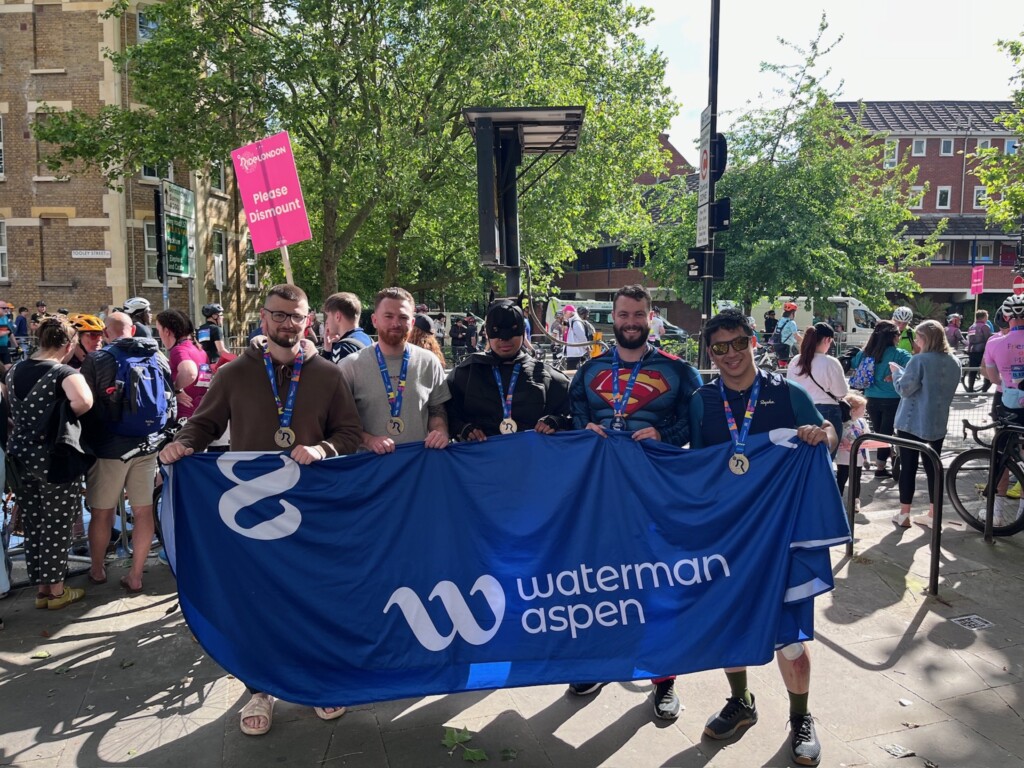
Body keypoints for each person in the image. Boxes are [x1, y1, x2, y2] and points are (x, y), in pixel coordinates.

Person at [160, 283, 363, 735]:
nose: (288, 323)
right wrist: (183, 444)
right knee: (258, 601)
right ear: (263, 317)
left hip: (311, 509)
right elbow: (204, 424)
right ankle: (259, 689)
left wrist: (323, 448)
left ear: (308, 320)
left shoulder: (327, 374)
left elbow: (349, 434)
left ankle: (317, 681)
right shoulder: (234, 373)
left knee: (313, 597)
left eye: (296, 316)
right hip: (251, 510)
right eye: (279, 315)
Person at [688, 309, 836, 768]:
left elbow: (833, 434)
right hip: (726, 535)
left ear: (754, 341)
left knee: (789, 638)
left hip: (780, 533)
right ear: (709, 352)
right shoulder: (700, 400)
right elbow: (693, 463)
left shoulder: (786, 393)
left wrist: (821, 434)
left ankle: (800, 718)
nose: (731, 354)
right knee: (730, 624)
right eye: (720, 347)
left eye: (738, 343)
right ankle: (742, 703)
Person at [565, 284, 703, 721]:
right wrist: (584, 431)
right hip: (601, 494)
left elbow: (696, 422)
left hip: (654, 492)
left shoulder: (679, 371)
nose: (630, 322)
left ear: (650, 317)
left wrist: (666, 435)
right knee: (599, 579)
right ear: (613, 317)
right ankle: (601, 662)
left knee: (656, 581)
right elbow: (576, 417)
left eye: (637, 315)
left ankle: (664, 678)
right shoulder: (588, 372)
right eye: (623, 315)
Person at [80, 311, 174, 592]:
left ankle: (97, 570)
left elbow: (85, 404)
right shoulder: (157, 356)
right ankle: (135, 575)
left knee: (102, 512)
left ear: (107, 333)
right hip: (146, 446)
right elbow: (169, 398)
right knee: (143, 511)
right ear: (132, 329)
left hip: (109, 448)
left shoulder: (97, 359)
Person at [6, 317, 94, 609]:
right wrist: (59, 413)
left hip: (20, 456)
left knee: (33, 522)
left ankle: (41, 588)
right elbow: (84, 402)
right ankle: (56, 591)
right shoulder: (64, 372)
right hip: (53, 458)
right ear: (68, 345)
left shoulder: (15, 370)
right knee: (58, 522)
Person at [339, 287, 451, 454]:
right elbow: (339, 423)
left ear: (412, 323)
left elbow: (437, 410)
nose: (396, 323)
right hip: (370, 470)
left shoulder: (429, 362)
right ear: (374, 320)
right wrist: (369, 440)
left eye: (403, 317)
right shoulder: (350, 366)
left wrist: (440, 432)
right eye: (388, 316)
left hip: (417, 465)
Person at [446, 300, 571, 440]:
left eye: (512, 333)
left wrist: (556, 421)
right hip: (480, 458)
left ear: (523, 332)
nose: (504, 340)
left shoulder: (548, 377)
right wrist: (462, 428)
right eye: (497, 333)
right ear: (487, 333)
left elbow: (572, 416)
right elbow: (445, 415)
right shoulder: (465, 373)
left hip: (531, 458)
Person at [889, 320, 961, 528]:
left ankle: (904, 513)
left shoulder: (919, 360)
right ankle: (933, 513)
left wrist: (896, 372)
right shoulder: (954, 361)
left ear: (926, 339)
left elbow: (904, 389)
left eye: (919, 337)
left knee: (908, 467)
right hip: (937, 422)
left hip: (911, 421)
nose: (916, 341)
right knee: (933, 469)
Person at [850, 320, 911, 478]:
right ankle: (880, 468)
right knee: (886, 434)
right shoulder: (900, 354)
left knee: (879, 433)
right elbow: (912, 369)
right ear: (892, 337)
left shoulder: (866, 353)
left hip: (871, 398)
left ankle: (883, 461)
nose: (899, 337)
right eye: (898, 334)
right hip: (893, 399)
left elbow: (854, 363)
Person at [787, 323, 848, 448]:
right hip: (827, 412)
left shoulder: (795, 361)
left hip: (799, 411)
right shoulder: (831, 362)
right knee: (825, 455)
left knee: (802, 455)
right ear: (827, 340)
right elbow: (841, 393)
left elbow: (790, 387)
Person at [156, 309, 212, 420]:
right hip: (201, 412)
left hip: (184, 416)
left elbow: (189, 372)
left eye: (158, 330)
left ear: (167, 331)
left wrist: (176, 389)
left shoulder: (179, 350)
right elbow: (204, 380)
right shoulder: (199, 349)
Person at [322, 291, 373, 364]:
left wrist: (326, 353)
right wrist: (328, 348)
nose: (326, 321)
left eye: (328, 316)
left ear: (337, 316)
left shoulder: (342, 348)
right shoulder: (369, 340)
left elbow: (327, 375)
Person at [965, 310, 993, 391]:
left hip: (972, 350)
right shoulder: (985, 326)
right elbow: (989, 339)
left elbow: (970, 339)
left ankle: (970, 388)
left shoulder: (971, 327)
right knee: (986, 369)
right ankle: (985, 388)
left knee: (972, 370)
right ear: (984, 317)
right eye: (986, 317)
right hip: (982, 351)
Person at [563, 304, 590, 371]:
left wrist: (587, 348)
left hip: (575, 353)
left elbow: (582, 337)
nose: (564, 314)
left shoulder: (576, 322)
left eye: (565, 312)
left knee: (572, 373)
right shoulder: (572, 321)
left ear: (570, 312)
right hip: (573, 352)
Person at [0, 300, 19, 365]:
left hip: (4, 347)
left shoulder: (5, 318)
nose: (6, 310)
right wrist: (7, 331)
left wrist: (17, 347)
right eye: (4, 308)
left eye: (7, 308)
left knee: (8, 368)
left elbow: (10, 333)